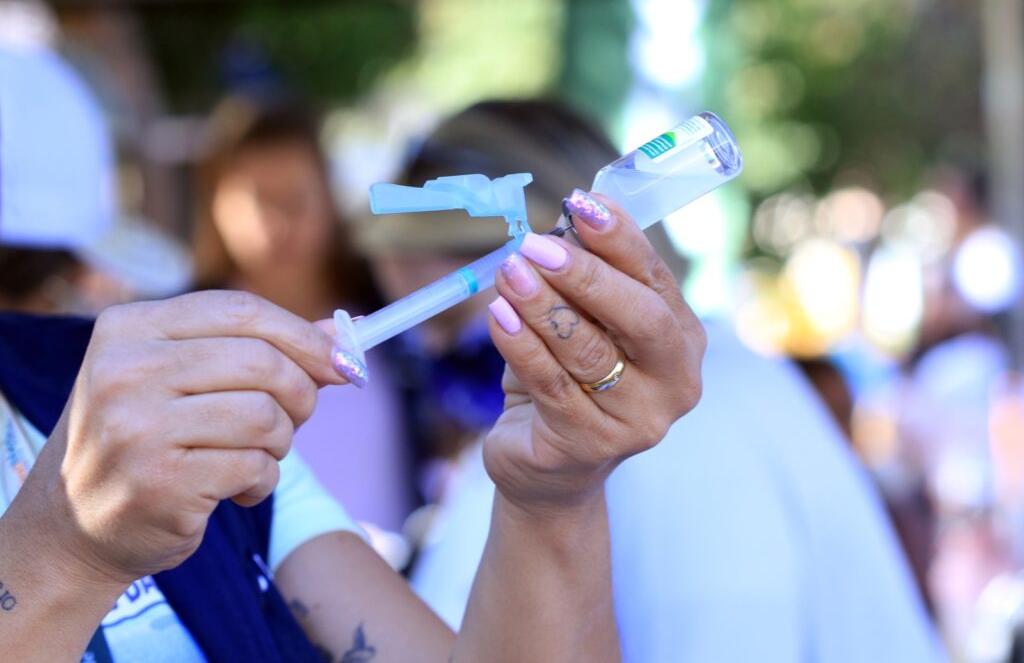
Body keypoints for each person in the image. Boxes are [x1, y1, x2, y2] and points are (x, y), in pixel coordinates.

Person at [0, 45, 702, 661]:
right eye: (54, 279)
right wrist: (66, 549)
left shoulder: (185, 425)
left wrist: (552, 496)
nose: (94, 297)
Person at [368, 100, 947, 662]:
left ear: (556, 255)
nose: (436, 356)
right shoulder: (728, 378)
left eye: (448, 323)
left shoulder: (667, 431)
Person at [194, 101, 414, 538]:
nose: (279, 222)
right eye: (259, 199)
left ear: (330, 198)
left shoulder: (392, 312)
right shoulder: (186, 329)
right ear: (216, 203)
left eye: (297, 198)